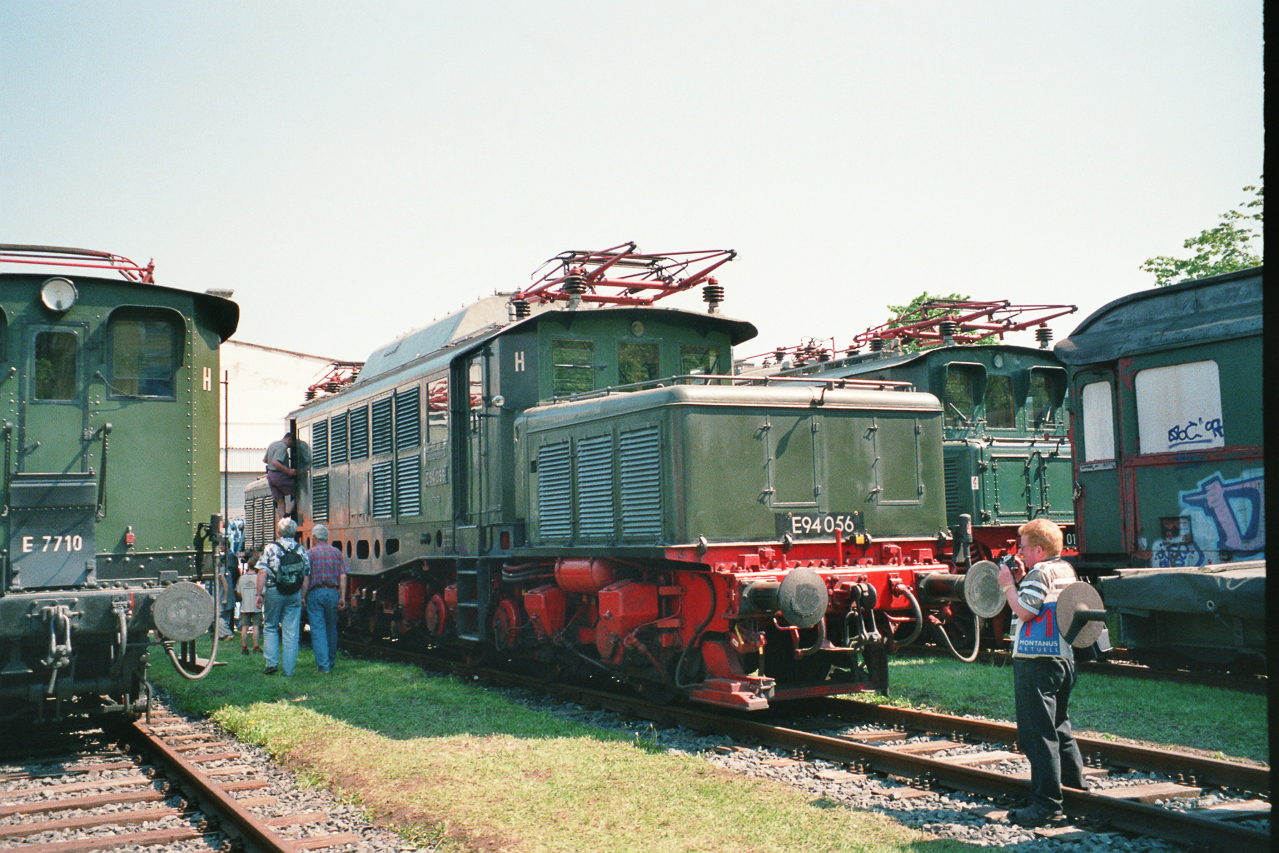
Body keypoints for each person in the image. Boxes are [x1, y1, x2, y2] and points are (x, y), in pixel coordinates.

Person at [998, 517, 1087, 827]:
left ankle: (1045, 803)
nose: (1019, 553)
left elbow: (1024, 610)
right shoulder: (1064, 569)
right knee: (1059, 727)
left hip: (1036, 659)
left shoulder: (1040, 572)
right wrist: (1023, 582)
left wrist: (1009, 585)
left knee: (1037, 734)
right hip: (1063, 660)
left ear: (1038, 549)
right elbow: (1041, 600)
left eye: (1023, 548)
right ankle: (1075, 790)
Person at [256, 517, 310, 676]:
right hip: (294, 593)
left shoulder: (271, 548)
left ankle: (271, 663)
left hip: (274, 590)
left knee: (271, 626)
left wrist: (258, 594)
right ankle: (289, 670)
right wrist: (303, 596)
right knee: (291, 632)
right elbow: (306, 576)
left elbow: (262, 572)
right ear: (294, 532)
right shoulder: (301, 549)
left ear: (278, 532)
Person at [303, 524, 348, 673]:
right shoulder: (337, 552)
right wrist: (342, 596)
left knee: (318, 630)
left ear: (314, 538)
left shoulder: (310, 554)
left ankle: (323, 666)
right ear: (327, 538)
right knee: (331, 629)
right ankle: (331, 660)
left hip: (316, 593)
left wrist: (303, 596)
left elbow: (306, 578)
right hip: (333, 593)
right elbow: (343, 575)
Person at [264, 432, 298, 523]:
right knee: (298, 494)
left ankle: (282, 521)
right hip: (279, 475)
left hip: (270, 476)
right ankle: (287, 514)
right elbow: (275, 462)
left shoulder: (272, 444)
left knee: (280, 500)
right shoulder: (283, 447)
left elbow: (265, 460)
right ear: (289, 440)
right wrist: (288, 470)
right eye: (292, 444)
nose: (291, 446)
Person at [237, 549, 263, 655]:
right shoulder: (259, 578)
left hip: (245, 605)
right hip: (256, 606)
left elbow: (238, 592)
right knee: (256, 626)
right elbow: (263, 592)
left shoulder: (242, 578)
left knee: (244, 627)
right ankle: (256, 647)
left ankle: (244, 648)